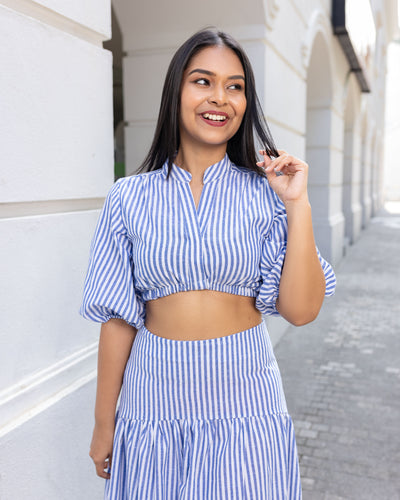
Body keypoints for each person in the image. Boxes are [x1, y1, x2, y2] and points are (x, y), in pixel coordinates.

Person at [80, 27, 336, 500]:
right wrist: (103, 422)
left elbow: (301, 311)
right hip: (153, 397)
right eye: (203, 81)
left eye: (235, 86)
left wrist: (298, 205)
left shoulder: (267, 194)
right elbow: (118, 319)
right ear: (176, 89)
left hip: (244, 395)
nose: (220, 97)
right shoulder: (129, 198)